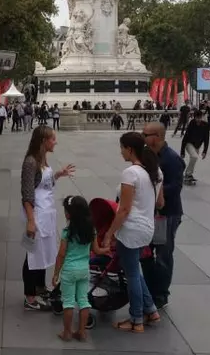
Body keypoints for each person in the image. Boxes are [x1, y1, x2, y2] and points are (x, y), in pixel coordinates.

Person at [103, 132, 163, 333]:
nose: (120, 152)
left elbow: (124, 209)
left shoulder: (131, 173)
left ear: (130, 149)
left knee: (132, 275)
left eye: (122, 148)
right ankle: (151, 310)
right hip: (147, 227)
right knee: (136, 272)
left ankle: (136, 319)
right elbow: (160, 202)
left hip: (130, 230)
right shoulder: (156, 171)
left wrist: (110, 233)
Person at [20, 126, 75, 311]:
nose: (55, 142)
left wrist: (58, 174)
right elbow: (27, 194)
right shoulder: (30, 162)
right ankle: (30, 297)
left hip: (46, 213)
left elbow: (44, 183)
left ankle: (40, 287)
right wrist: (30, 220)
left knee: (42, 253)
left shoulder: (42, 160)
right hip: (36, 215)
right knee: (32, 255)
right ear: (43, 141)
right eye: (52, 139)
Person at [142, 122, 185, 309]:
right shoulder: (149, 156)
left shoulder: (172, 159)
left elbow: (175, 187)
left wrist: (152, 190)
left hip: (166, 215)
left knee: (163, 254)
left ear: (158, 136)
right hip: (152, 213)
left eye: (146, 134)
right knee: (147, 253)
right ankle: (151, 288)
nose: (143, 137)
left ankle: (161, 294)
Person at [52, 196, 101, 341]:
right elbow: (96, 250)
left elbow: (61, 254)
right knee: (83, 300)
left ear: (70, 214)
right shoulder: (91, 230)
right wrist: (106, 250)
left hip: (69, 271)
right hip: (84, 270)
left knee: (67, 302)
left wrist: (56, 274)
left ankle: (67, 333)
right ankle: (81, 332)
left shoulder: (68, 231)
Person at [180, 110, 210, 183]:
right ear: (194, 117)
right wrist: (182, 151)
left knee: (194, 159)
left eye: (200, 118)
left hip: (197, 146)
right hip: (189, 143)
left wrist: (205, 151)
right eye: (197, 118)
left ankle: (189, 174)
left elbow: (206, 139)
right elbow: (185, 137)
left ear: (202, 117)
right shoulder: (192, 123)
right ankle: (187, 174)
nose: (198, 120)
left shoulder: (205, 125)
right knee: (194, 157)